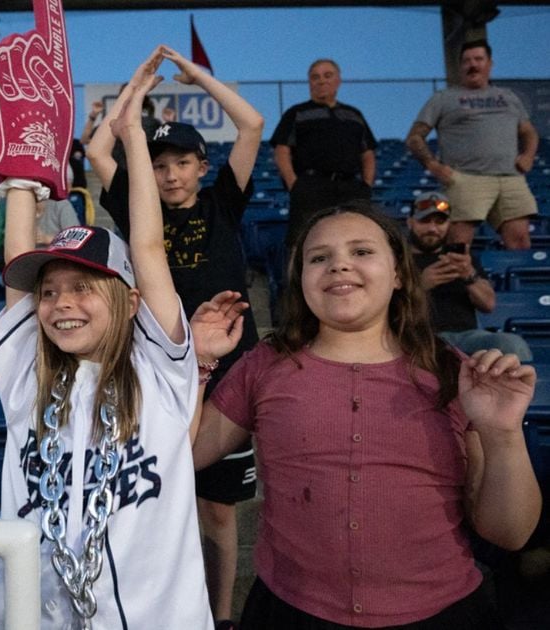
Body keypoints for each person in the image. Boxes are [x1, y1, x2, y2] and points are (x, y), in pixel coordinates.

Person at [193, 202, 542, 629]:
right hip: (291, 611)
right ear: (300, 279)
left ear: (398, 274)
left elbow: (510, 533)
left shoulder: (452, 370)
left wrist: (502, 433)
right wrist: (198, 364)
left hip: (442, 614)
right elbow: (187, 452)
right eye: (319, 258)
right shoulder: (266, 362)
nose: (339, 266)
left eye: (361, 252)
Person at [0, 49, 216, 629]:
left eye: (84, 287)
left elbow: (149, 247)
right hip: (39, 617)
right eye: (51, 292)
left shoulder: (159, 369)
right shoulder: (26, 375)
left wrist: (132, 135)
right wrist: (24, 179)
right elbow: (16, 259)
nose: (61, 304)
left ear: (129, 301)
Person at [89, 44, 261, 628]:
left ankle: (220, 616)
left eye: (182, 162)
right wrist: (133, 89)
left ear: (201, 166)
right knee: (162, 503)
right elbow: (96, 149)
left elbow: (253, 123)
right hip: (161, 371)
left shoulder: (223, 202)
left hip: (231, 371)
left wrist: (194, 76)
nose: (169, 174)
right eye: (159, 164)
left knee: (217, 509)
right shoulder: (140, 210)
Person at [406, 40, 539, 250]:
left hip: (510, 178)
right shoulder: (444, 98)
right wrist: (434, 166)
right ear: (460, 67)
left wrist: (528, 155)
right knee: (458, 243)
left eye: (478, 59)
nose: (472, 65)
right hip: (466, 178)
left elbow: (528, 131)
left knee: (521, 241)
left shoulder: (508, 97)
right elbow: (415, 137)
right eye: (467, 61)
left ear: (490, 64)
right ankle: (459, 284)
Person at [408, 191, 532, 362]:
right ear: (410, 222)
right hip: (417, 336)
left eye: (440, 222)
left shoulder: (465, 259)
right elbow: (382, 308)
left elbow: (488, 305)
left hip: (467, 337)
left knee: (511, 344)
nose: (432, 228)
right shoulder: (397, 258)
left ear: (448, 225)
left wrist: (468, 275)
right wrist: (420, 285)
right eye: (425, 221)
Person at [271, 58, 377, 248]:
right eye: (315, 77)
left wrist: (366, 185)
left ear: (338, 80)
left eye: (327, 75)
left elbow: (367, 152)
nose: (321, 81)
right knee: (306, 244)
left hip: (352, 189)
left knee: (357, 242)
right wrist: (294, 185)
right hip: (311, 189)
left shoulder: (354, 114)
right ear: (309, 82)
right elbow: (281, 150)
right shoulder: (296, 113)